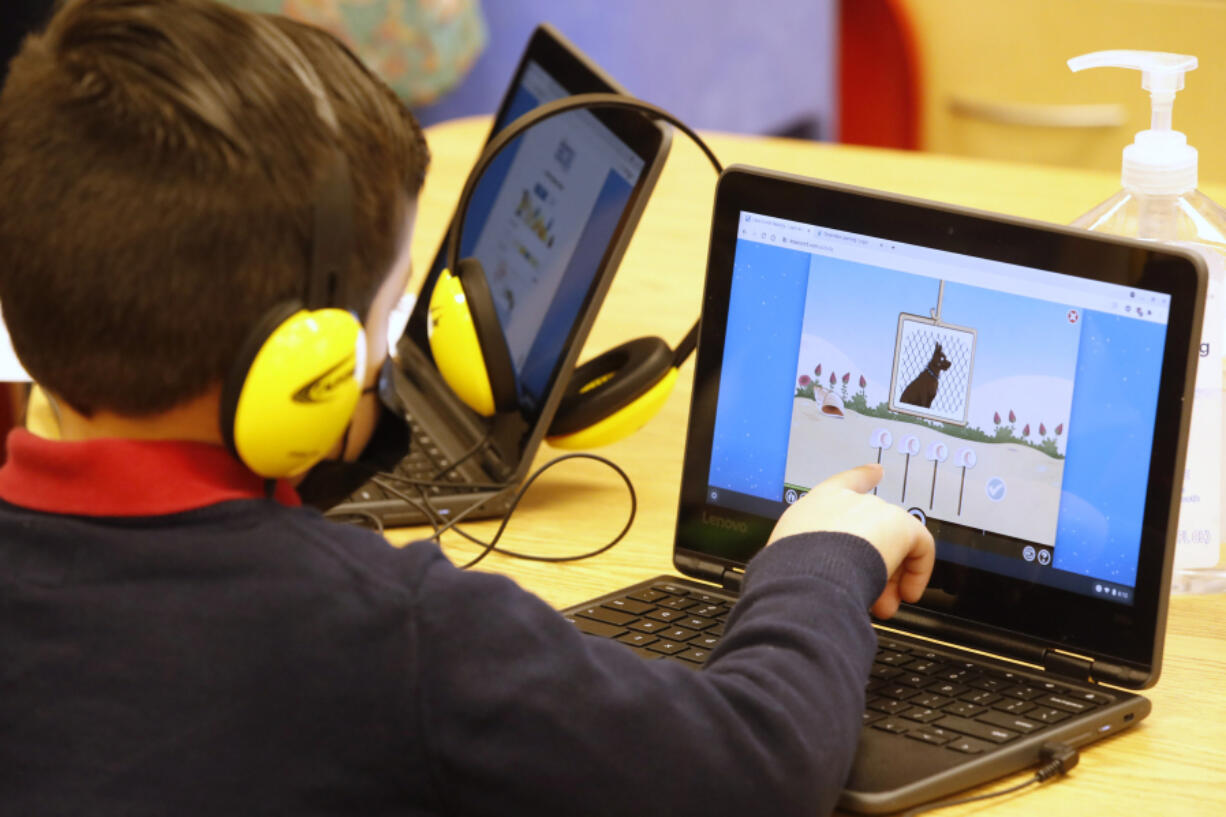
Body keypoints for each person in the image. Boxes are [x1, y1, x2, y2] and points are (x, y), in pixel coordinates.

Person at [0, 2, 935, 816]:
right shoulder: (391, 634)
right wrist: (819, 557)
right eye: (385, 307)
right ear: (304, 362)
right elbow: (757, 770)